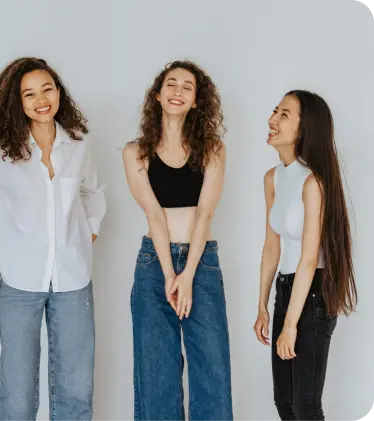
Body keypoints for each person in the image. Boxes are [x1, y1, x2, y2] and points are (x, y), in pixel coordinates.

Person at [0, 57, 106, 421]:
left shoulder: (77, 146)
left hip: (74, 280)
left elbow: (94, 192)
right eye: (29, 94)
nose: (41, 99)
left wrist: (89, 230)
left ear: (59, 92)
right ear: (18, 102)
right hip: (20, 282)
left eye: (47, 88)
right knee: (16, 393)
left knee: (76, 390)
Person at [122, 60, 233, 421]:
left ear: (197, 101)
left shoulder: (212, 149)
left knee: (211, 368)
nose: (178, 91)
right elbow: (154, 214)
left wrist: (188, 276)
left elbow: (205, 213)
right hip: (154, 264)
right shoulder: (135, 152)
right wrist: (171, 274)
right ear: (158, 94)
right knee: (156, 372)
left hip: (202, 262)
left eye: (187, 87)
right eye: (171, 84)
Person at [254, 90, 357, 420]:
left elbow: (310, 259)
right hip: (286, 291)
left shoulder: (313, 182)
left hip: (313, 296)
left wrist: (291, 324)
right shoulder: (273, 178)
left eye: (284, 115)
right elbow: (272, 247)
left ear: (305, 128)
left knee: (305, 406)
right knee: (284, 403)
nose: (273, 119)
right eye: (275, 111)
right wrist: (263, 306)